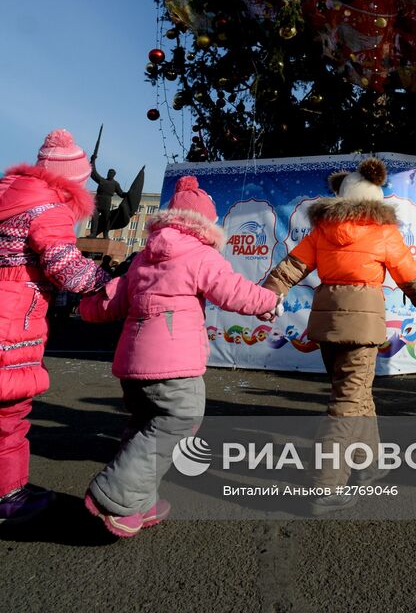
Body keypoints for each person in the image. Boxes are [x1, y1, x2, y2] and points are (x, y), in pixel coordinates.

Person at [79, 175, 281, 538]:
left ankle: (139, 502)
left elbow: (113, 301)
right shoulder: (201, 255)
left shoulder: (143, 257)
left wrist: (87, 306)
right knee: (179, 419)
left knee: (144, 425)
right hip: (173, 366)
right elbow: (233, 291)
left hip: (133, 366)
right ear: (207, 224)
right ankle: (115, 497)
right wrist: (269, 302)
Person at [262, 158, 416, 513]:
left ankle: (369, 463)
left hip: (328, 327)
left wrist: (269, 292)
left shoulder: (322, 232)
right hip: (362, 328)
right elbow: (409, 275)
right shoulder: (383, 233)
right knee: (346, 402)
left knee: (356, 394)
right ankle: (326, 485)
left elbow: (291, 267)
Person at [0, 129, 111, 525]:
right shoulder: (49, 206)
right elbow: (66, 267)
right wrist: (108, 282)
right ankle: (8, 497)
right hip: (11, 319)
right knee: (9, 412)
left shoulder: (10, 194)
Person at [89, 160, 125, 238]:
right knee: (94, 218)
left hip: (106, 202)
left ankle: (105, 234)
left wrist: (128, 194)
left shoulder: (115, 184)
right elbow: (93, 173)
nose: (109, 174)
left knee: (107, 219)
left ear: (114, 175)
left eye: (111, 173)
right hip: (97, 201)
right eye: (109, 173)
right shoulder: (102, 180)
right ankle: (93, 233)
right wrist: (93, 161)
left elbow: (121, 194)